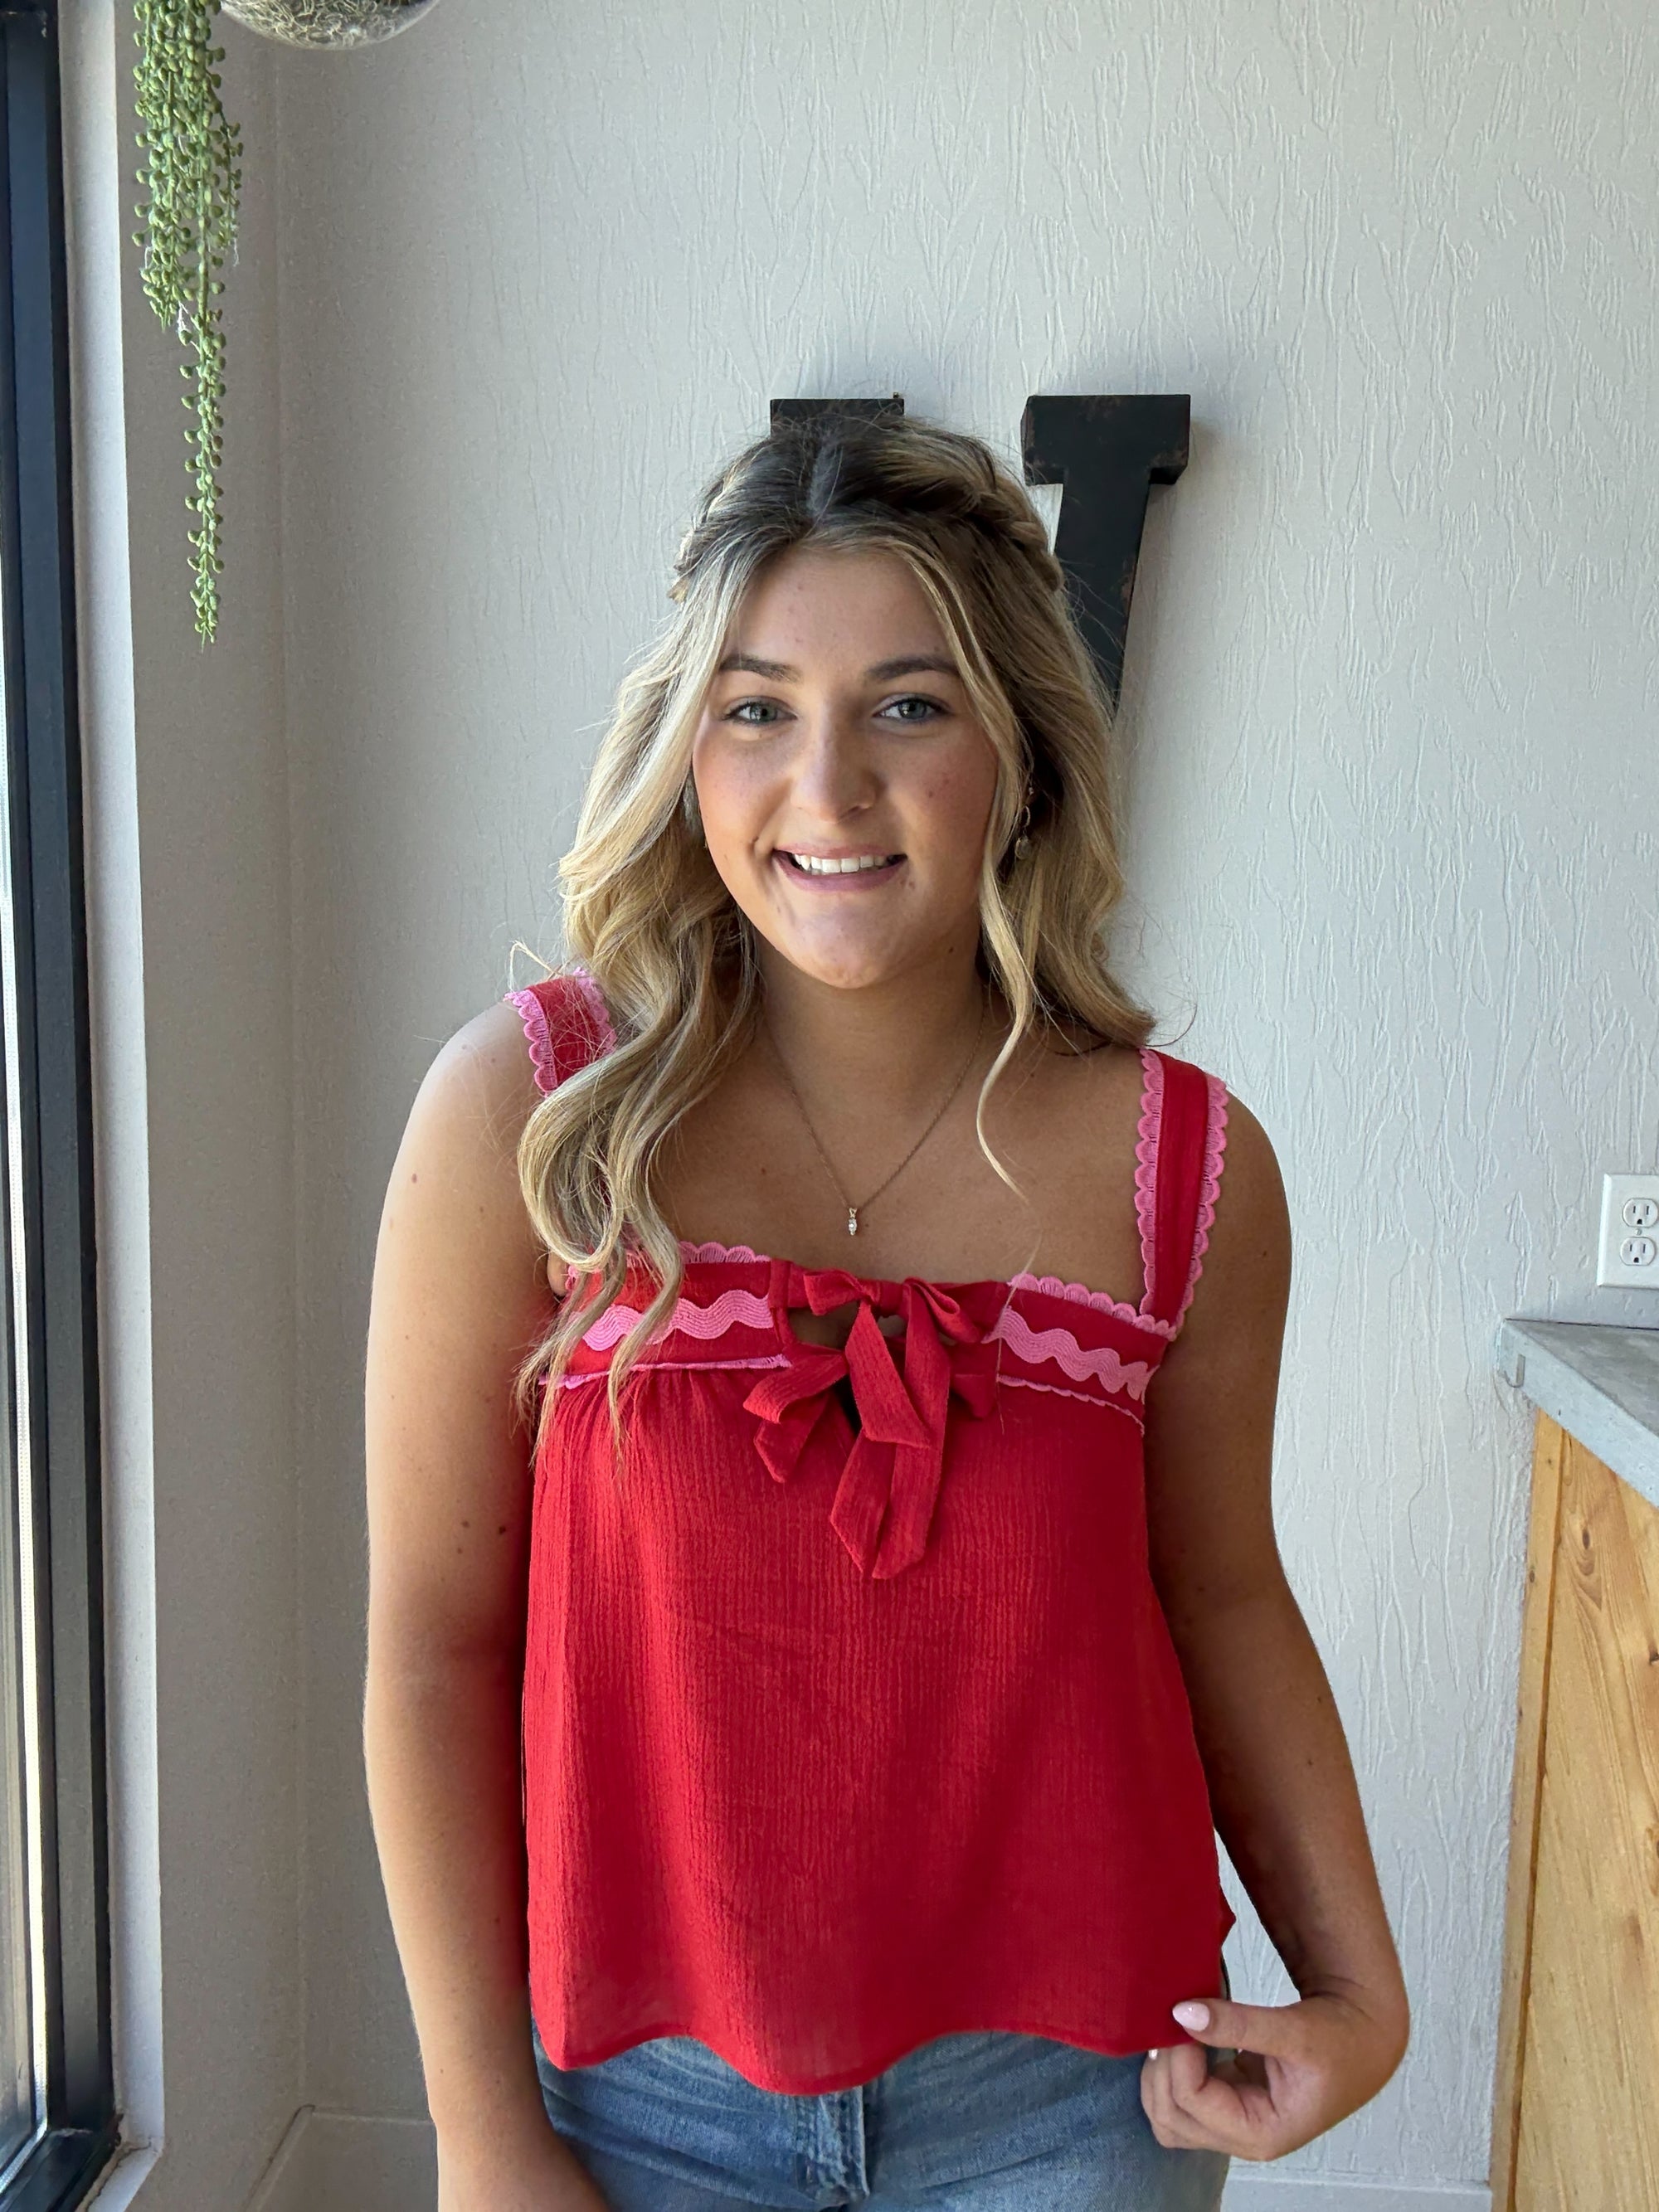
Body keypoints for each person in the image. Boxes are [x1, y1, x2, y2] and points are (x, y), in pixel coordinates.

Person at [362, 412, 1409, 2212]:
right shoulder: (525, 1119)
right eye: (758, 706)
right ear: (687, 748)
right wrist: (479, 2131)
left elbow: (1221, 1592)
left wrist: (1356, 1989)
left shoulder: (1187, 1166)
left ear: (1016, 748)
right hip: (632, 2102)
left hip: (1081, 2107)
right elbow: (434, 1639)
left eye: (909, 706)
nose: (826, 788)